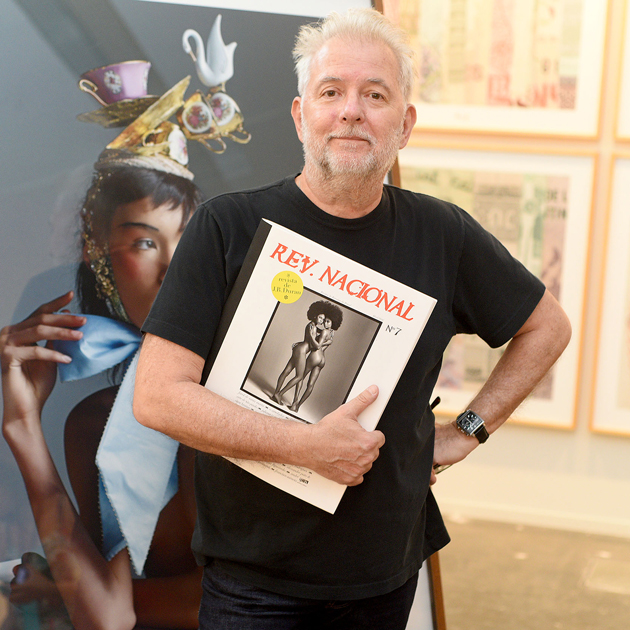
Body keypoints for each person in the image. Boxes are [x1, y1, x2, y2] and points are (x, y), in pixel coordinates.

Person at [133, 8, 571, 629]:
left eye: (376, 95)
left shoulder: (442, 233)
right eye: (331, 91)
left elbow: (547, 327)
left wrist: (467, 430)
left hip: (383, 577)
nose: (351, 111)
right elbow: (157, 397)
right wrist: (304, 446)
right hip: (254, 582)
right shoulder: (227, 227)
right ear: (300, 115)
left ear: (405, 124)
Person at [1, 135, 203, 629]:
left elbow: (244, 601)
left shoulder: (252, 400)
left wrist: (62, 593)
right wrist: (23, 427)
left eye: (190, 240)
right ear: (100, 258)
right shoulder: (95, 425)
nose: (172, 268)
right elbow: (106, 619)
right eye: (144, 242)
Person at [289, 304, 343, 413]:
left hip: (315, 356)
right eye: (325, 321)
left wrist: (310, 337)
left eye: (328, 321)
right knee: (311, 385)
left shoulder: (324, 332)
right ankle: (298, 406)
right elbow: (325, 342)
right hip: (322, 360)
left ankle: (294, 403)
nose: (325, 323)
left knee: (300, 377)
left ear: (333, 322)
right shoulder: (332, 333)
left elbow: (317, 346)